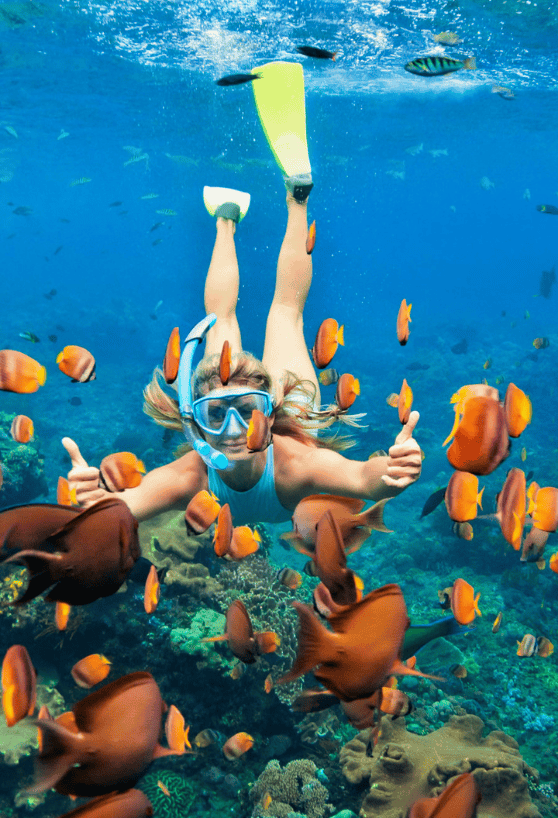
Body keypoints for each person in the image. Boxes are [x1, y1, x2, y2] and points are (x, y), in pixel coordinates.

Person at [63, 62, 421, 525]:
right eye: (218, 416)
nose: (234, 431)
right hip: (295, 402)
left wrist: (389, 474)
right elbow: (123, 508)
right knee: (283, 314)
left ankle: (242, 212)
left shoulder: (294, 464)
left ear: (269, 415)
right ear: (198, 424)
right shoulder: (191, 474)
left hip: (285, 415)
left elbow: (363, 479)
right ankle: (279, 201)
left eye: (247, 412)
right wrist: (95, 503)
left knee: (235, 316)